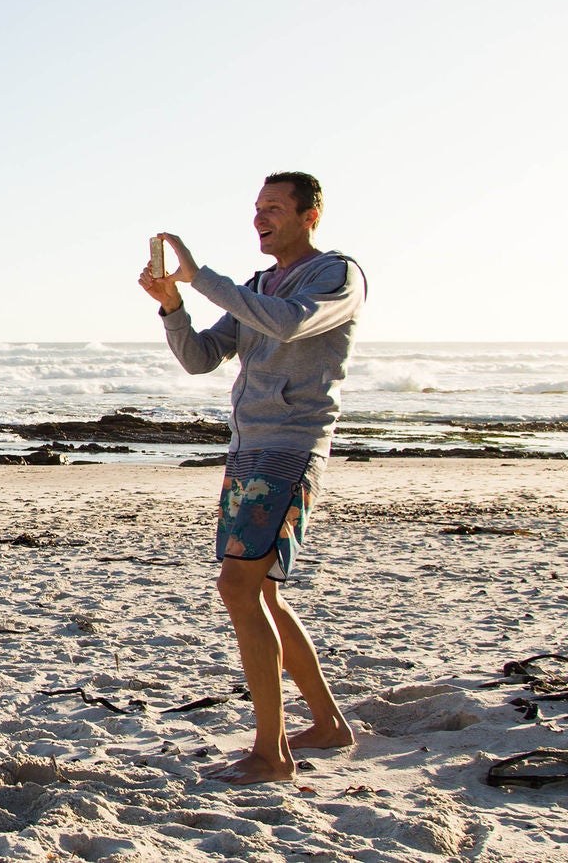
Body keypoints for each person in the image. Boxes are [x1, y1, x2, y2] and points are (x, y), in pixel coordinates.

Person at [139, 171, 366, 784]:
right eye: (256, 208)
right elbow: (199, 359)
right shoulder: (257, 287)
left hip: (289, 449)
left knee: (239, 589)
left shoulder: (335, 276)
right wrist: (173, 305)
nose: (261, 217)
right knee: (258, 591)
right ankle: (328, 723)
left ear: (309, 216)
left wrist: (201, 278)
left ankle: (273, 752)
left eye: (274, 207)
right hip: (248, 449)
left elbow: (289, 323)